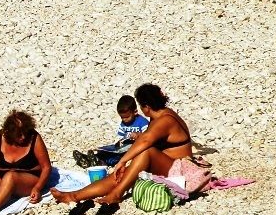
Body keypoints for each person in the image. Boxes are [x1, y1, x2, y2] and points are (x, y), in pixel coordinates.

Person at [51, 83, 192, 205]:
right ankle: (73, 196)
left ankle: (117, 194)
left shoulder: (165, 120)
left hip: (178, 169)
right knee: (120, 175)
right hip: (165, 163)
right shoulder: (164, 115)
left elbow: (145, 140)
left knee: (143, 153)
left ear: (146, 107)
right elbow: (148, 139)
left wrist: (123, 161)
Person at [72, 95, 150, 168]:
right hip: (124, 148)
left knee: (117, 158)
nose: (124, 120)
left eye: (126, 117)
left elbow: (148, 137)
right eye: (122, 117)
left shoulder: (142, 122)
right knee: (106, 152)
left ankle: (99, 163)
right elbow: (121, 136)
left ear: (135, 112)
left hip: (135, 149)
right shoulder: (123, 124)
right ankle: (89, 159)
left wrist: (138, 135)